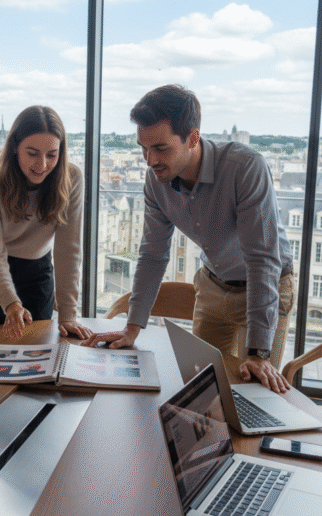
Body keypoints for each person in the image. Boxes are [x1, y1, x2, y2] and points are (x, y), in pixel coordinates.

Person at [84, 84, 295, 394]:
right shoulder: (155, 181)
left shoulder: (245, 167)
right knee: (203, 390)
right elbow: (153, 254)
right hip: (211, 286)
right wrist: (132, 328)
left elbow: (262, 260)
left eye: (160, 148)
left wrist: (258, 354)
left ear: (192, 138)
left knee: (254, 393)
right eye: (143, 147)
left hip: (265, 286)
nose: (149, 160)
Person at [0, 105, 92, 341]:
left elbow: (68, 251)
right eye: (32, 153)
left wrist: (68, 315)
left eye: (52, 155)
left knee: (37, 351)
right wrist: (11, 303)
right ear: (15, 147)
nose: (42, 164)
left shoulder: (72, 178)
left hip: (37, 271)